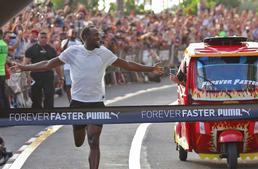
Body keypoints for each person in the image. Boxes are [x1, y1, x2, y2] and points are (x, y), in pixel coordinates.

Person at [13, 25, 163, 169]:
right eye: (96, 36)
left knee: (94, 141)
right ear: (85, 37)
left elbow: (127, 64)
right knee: (79, 142)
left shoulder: (104, 52)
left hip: (96, 103)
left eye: (99, 36)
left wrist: (151, 69)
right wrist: (24, 67)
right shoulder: (73, 52)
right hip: (77, 103)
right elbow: (48, 64)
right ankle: (83, 126)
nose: (99, 38)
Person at [23, 31, 63, 108]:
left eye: (45, 37)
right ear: (38, 38)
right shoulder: (31, 49)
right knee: (36, 97)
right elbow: (25, 65)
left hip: (48, 75)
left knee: (49, 95)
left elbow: (57, 65)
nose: (44, 39)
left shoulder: (51, 50)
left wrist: (60, 77)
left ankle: (48, 114)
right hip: (35, 75)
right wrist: (28, 76)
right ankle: (37, 114)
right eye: (42, 37)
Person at [60, 29, 82, 101]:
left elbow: (81, 52)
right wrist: (68, 40)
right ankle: (70, 100)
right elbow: (63, 49)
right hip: (67, 67)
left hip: (77, 67)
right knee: (68, 85)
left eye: (74, 33)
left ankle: (77, 99)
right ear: (68, 34)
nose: (73, 34)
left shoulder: (78, 42)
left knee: (76, 84)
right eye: (72, 33)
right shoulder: (64, 41)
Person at [0, 29, 10, 114]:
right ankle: (7, 111)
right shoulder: (4, 44)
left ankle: (2, 113)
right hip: (2, 71)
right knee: (3, 93)